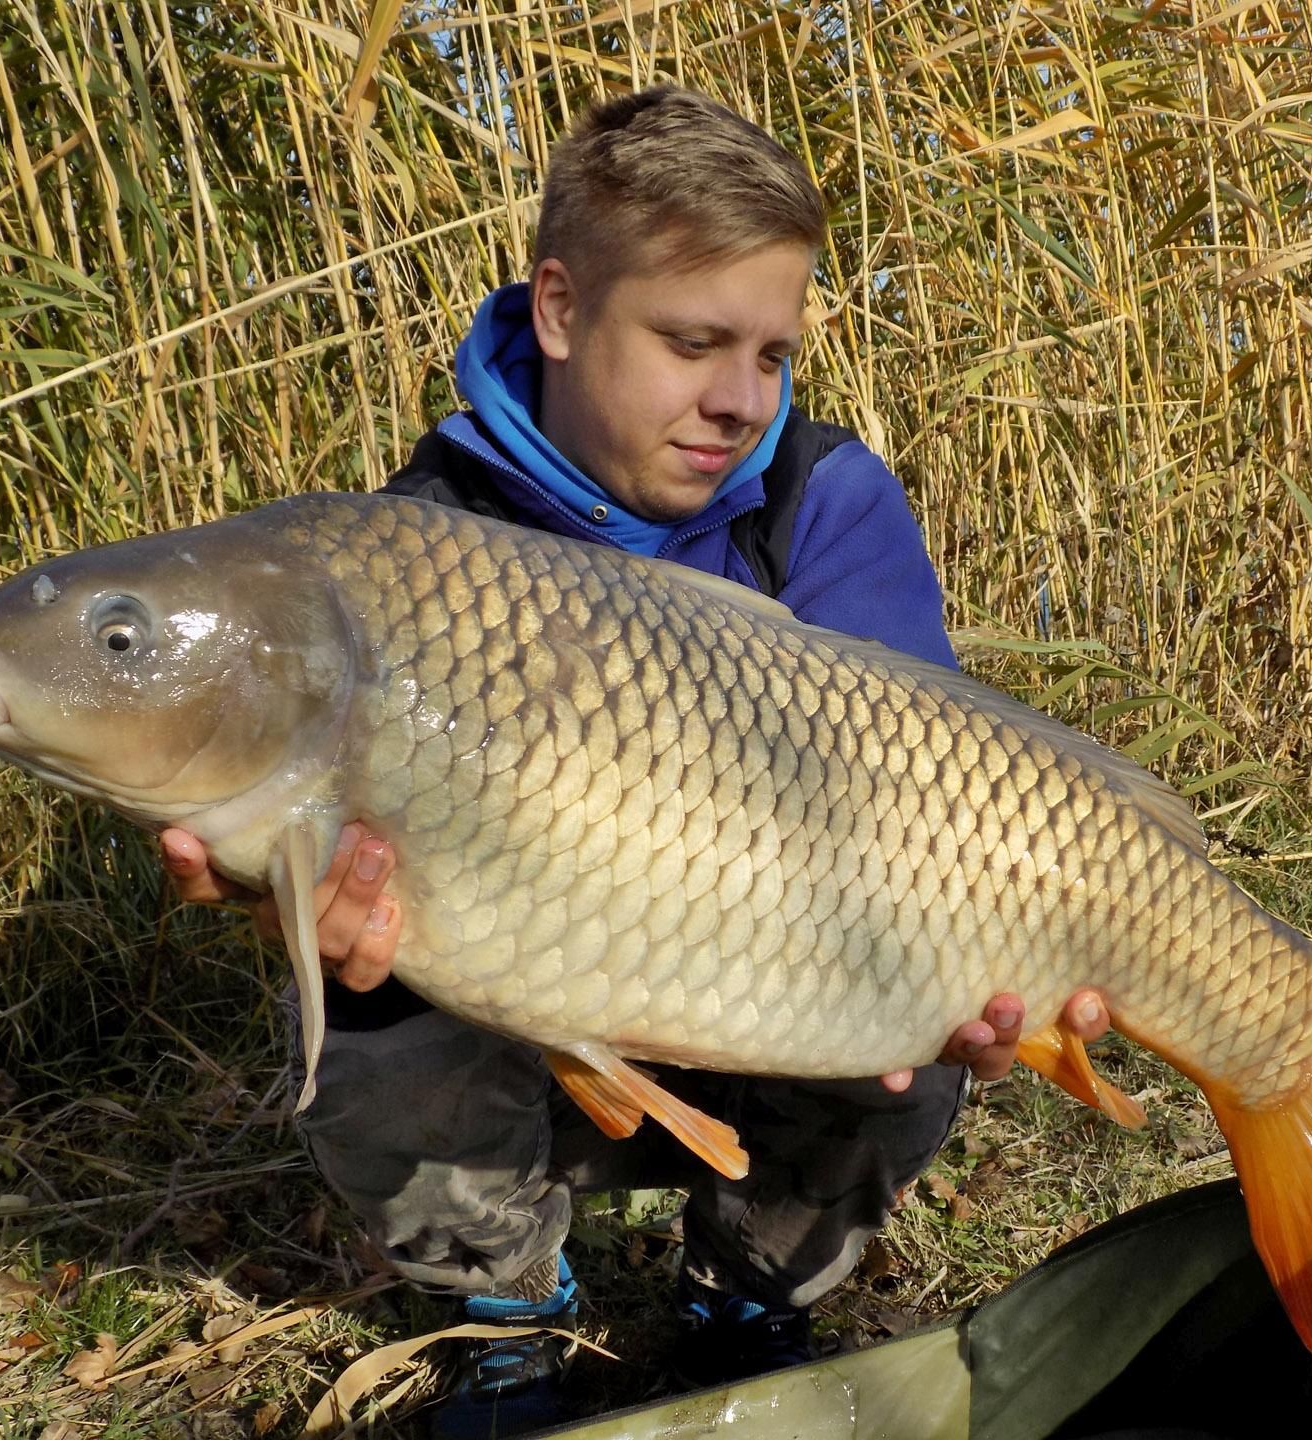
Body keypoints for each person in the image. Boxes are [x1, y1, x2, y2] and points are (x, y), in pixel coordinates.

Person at [159, 87, 1112, 1437]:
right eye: (691, 342)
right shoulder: (423, 542)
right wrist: (284, 897)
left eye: (773, 353)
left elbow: (942, 809)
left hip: (779, 996)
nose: (739, 400)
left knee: (928, 1025)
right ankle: (505, 1312)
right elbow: (321, 838)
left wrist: (987, 970)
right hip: (531, 1022)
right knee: (358, 1004)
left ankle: (751, 1297)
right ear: (557, 309)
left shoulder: (824, 504)